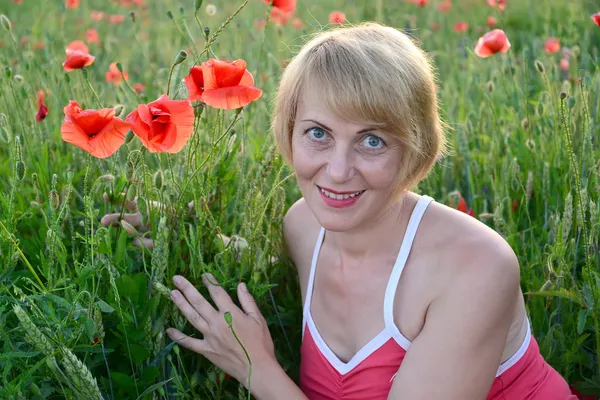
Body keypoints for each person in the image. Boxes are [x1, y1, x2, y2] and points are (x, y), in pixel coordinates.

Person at [154, 22, 577, 399]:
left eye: (372, 140)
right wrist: (173, 228)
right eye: (317, 133)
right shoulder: (302, 225)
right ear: (287, 134)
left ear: (416, 151)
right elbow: (274, 268)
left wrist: (258, 369)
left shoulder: (475, 266)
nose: (337, 171)